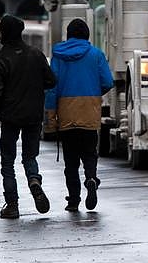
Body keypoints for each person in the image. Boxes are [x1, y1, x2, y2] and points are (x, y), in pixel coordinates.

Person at [0, 14, 57, 219]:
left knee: (8, 161)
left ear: (5, 34)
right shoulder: (36, 54)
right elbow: (51, 81)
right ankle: (34, 179)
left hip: (10, 117)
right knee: (29, 156)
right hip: (33, 115)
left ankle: (12, 204)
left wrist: (2, 108)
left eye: (0, 31)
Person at [45, 18, 113, 211]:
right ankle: (91, 178)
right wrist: (93, 92)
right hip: (89, 113)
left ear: (68, 35)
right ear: (87, 35)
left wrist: (50, 117)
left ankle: (73, 200)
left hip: (66, 115)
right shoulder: (96, 55)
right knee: (90, 154)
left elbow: (51, 88)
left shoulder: (58, 56)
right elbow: (107, 82)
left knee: (71, 161)